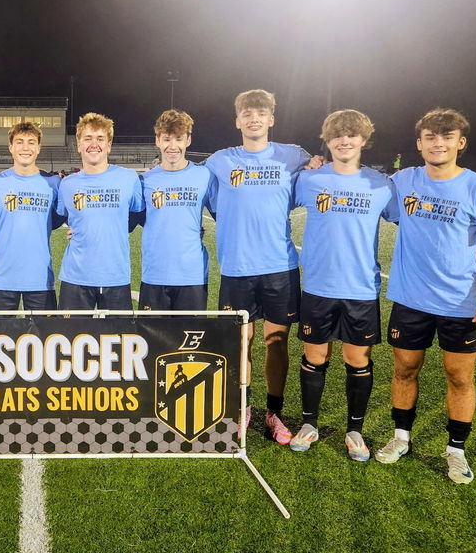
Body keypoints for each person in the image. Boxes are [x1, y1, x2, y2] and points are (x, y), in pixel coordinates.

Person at [374, 108, 476, 484]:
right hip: (410, 297)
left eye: (447, 136)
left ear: (460, 143)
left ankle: (456, 449)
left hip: (461, 303)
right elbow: (365, 194)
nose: (439, 143)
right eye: (431, 137)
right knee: (404, 369)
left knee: (459, 376)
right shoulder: (402, 181)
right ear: (419, 144)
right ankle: (401, 437)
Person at [204, 89, 321, 444]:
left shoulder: (292, 156)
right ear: (237, 121)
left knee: (276, 342)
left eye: (261, 113)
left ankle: (274, 412)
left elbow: (321, 177)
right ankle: (242, 409)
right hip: (237, 268)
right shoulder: (219, 161)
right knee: (242, 342)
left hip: (279, 267)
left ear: (271, 119)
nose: (254, 118)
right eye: (247, 113)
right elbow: (208, 203)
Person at [287, 110, 398, 461]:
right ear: (328, 140)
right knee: (314, 356)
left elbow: (413, 222)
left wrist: (475, 243)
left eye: (352, 135)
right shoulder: (309, 180)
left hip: (360, 289)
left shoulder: (381, 185)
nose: (344, 141)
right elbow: (271, 204)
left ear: (363, 140)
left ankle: (355, 431)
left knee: (357, 360)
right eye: (337, 136)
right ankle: (309, 425)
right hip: (318, 286)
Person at [56, 113, 143, 310]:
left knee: (119, 339)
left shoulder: (129, 179)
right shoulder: (67, 184)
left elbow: (137, 214)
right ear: (78, 145)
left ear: (109, 145)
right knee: (72, 338)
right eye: (87, 138)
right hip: (75, 276)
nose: (93, 144)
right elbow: (68, 217)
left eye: (100, 138)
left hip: (115, 275)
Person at [0, 122, 63, 310]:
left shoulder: (53, 183)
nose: (25, 147)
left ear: (38, 148)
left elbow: (68, 216)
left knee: (44, 337)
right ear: (10, 147)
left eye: (31, 142)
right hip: (2, 278)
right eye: (19, 142)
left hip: (40, 278)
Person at [137, 110, 211, 311]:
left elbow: (226, 213)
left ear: (188, 140)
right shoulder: (144, 181)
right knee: (152, 343)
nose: (172, 146)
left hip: (192, 275)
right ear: (157, 141)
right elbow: (123, 220)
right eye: (166, 139)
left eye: (178, 139)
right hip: (154, 275)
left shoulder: (204, 176)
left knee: (191, 342)